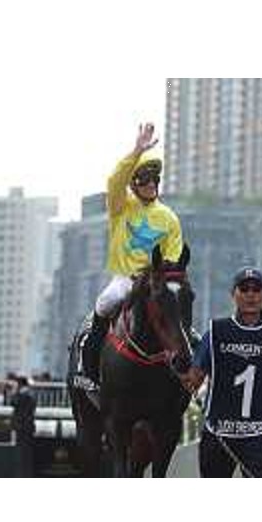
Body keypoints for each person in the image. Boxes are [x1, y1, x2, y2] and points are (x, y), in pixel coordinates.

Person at [181, 267, 262, 478]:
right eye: (244, 289)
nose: (251, 295)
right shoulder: (216, 332)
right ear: (234, 294)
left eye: (256, 289)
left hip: (259, 435)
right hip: (219, 434)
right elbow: (193, 380)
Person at [83, 123, 184, 382]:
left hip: (156, 280)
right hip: (125, 278)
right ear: (134, 183)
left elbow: (173, 256)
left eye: (155, 180)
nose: (151, 184)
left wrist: (162, 277)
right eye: (145, 180)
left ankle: (187, 367)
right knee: (104, 304)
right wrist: (137, 150)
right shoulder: (121, 205)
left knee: (179, 308)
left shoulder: (169, 217)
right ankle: (90, 370)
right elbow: (114, 180)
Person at [9, 376, 37, 477]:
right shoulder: (31, 394)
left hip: (21, 428)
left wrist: (14, 391)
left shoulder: (22, 394)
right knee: (27, 455)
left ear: (20, 384)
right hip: (28, 427)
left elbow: (12, 402)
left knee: (21, 456)